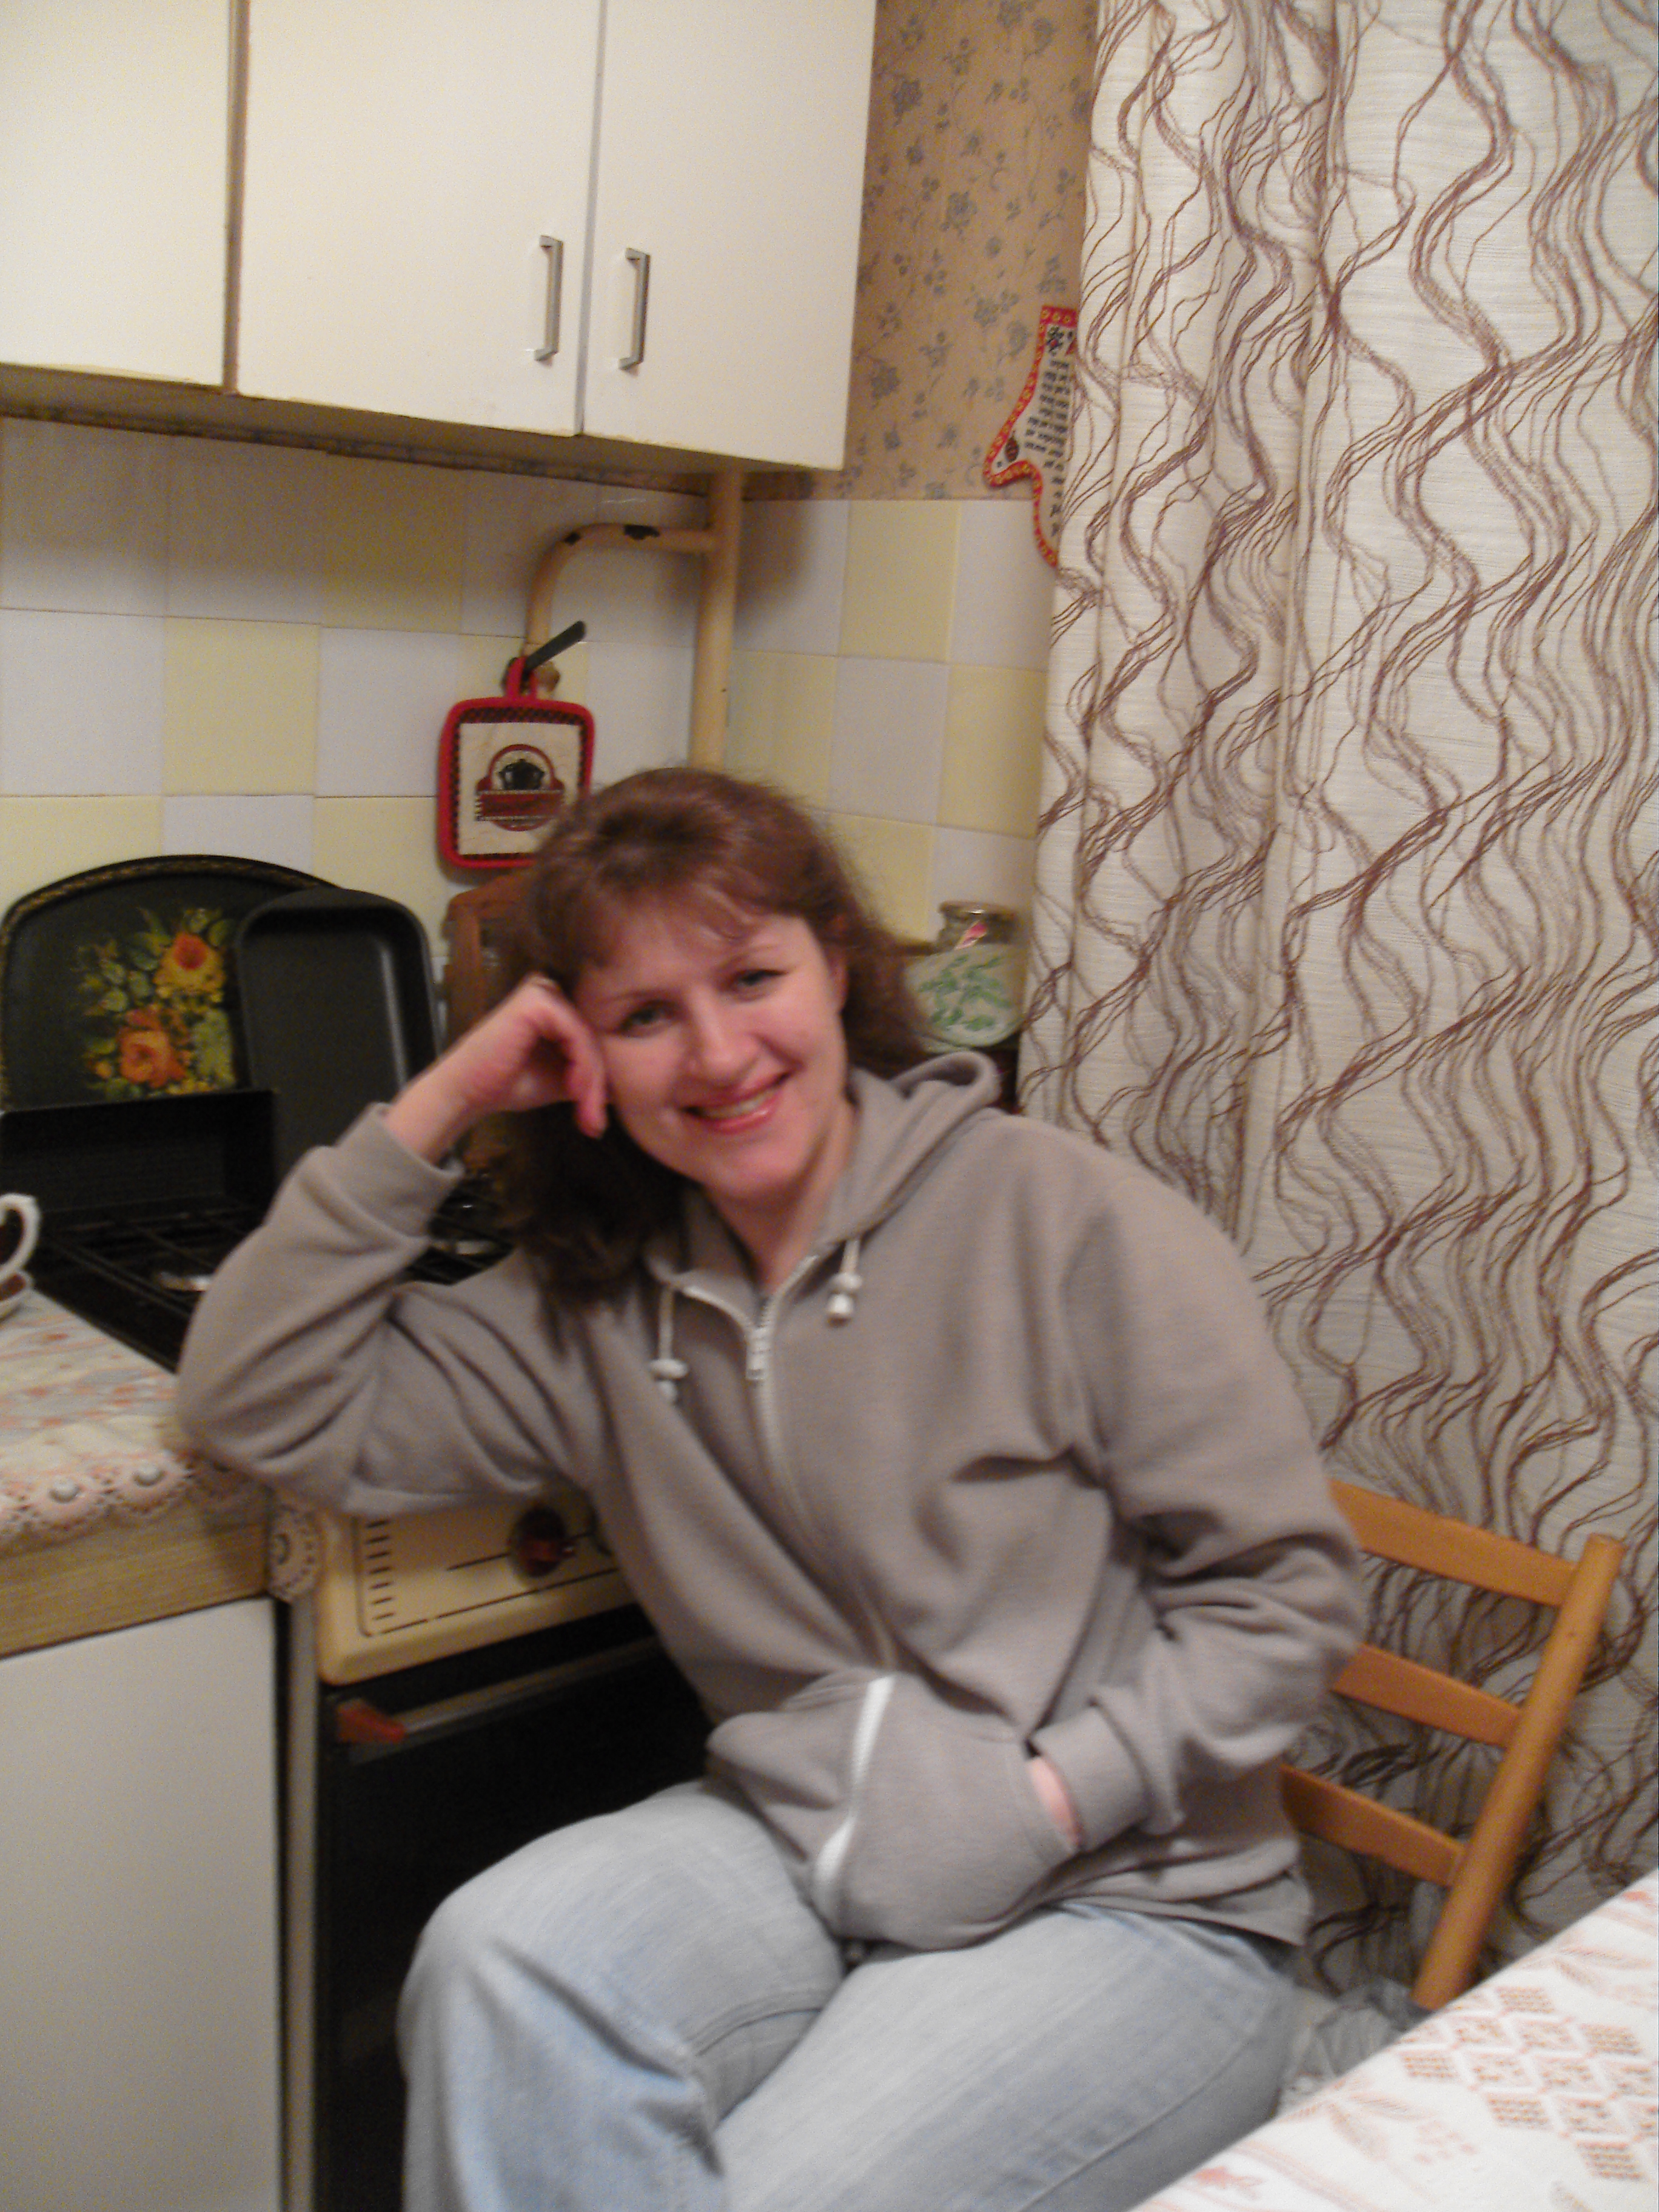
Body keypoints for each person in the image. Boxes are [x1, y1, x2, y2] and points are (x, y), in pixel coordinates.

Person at [176, 766, 1362, 2212]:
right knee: (498, 1958)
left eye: (751, 978)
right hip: (810, 1843)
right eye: (644, 1016)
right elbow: (255, 1402)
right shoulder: (592, 1300)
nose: (720, 1053)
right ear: (579, 1052)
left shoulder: (1067, 1221)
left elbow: (1284, 1600)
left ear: (838, 967)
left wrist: (1046, 1805)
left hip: (1135, 1900)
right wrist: (446, 1098)